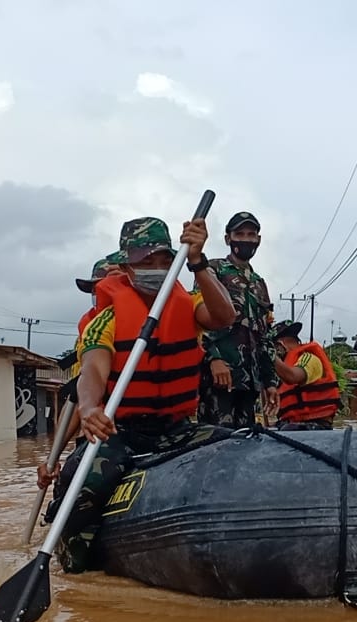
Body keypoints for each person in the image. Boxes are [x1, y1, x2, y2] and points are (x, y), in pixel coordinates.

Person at [48, 215, 237, 573]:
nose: (156, 268)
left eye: (165, 260)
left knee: (241, 447)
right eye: (145, 261)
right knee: (86, 484)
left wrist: (197, 262)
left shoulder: (190, 304)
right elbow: (92, 371)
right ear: (126, 266)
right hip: (123, 431)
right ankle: (74, 561)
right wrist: (89, 408)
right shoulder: (107, 320)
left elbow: (224, 316)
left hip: (177, 427)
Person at [37, 251, 125, 491]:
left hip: (149, 424)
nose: (101, 294)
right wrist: (52, 457)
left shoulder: (152, 317)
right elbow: (76, 399)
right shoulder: (91, 333)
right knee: (73, 482)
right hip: (103, 430)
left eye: (109, 286)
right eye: (96, 290)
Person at [196, 211, 281, 428]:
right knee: (216, 442)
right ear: (227, 238)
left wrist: (270, 381)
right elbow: (199, 319)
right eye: (239, 233)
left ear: (258, 240)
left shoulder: (259, 283)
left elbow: (264, 335)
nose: (245, 239)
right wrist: (213, 359)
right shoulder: (212, 270)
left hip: (249, 380)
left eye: (251, 234)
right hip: (219, 377)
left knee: (244, 443)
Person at [270, 320, 341, 430]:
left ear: (281, 343)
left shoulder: (309, 358)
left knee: (288, 429)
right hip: (293, 423)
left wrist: (269, 354)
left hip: (317, 426)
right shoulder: (282, 368)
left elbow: (293, 377)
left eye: (274, 347)